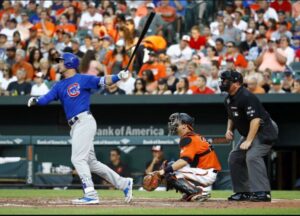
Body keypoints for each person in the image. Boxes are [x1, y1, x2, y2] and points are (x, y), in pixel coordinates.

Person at [27, 52, 133, 205]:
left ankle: (90, 193)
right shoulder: (59, 85)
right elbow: (46, 99)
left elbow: (104, 80)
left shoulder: (83, 79)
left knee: (77, 158)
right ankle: (124, 183)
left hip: (84, 121)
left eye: (61, 61)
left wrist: (118, 76)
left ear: (70, 63)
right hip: (75, 126)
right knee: (91, 163)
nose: (59, 64)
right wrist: (35, 100)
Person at [219, 70, 279, 202]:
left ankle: (263, 192)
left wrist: (249, 140)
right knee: (234, 157)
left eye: (225, 81)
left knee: (252, 156)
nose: (223, 83)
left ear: (236, 83)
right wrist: (229, 129)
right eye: (222, 80)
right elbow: (231, 115)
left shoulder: (246, 96)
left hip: (264, 131)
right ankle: (243, 192)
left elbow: (255, 120)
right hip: (250, 132)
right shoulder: (228, 98)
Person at [155, 113, 221, 202]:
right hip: (203, 171)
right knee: (170, 166)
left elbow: (184, 161)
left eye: (177, 123)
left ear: (185, 126)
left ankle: (198, 192)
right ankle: (189, 192)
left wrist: (164, 171)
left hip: (206, 173)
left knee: (169, 171)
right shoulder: (192, 137)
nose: (174, 125)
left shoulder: (189, 139)